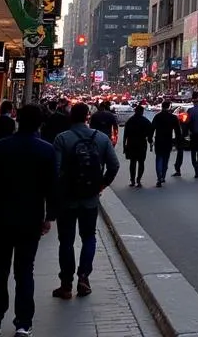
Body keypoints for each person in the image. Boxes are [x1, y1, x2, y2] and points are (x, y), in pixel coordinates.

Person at [0, 104, 57, 337]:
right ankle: (23, 323)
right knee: (25, 271)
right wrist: (49, 216)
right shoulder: (46, 150)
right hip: (30, 219)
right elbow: (52, 187)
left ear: (17, 119)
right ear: (40, 123)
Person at [52, 102, 119, 299]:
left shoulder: (62, 139)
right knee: (88, 237)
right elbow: (114, 166)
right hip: (90, 197)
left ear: (71, 117)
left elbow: (55, 171)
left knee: (66, 241)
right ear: (87, 117)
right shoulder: (101, 138)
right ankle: (84, 277)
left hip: (67, 198)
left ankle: (65, 285)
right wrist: (101, 185)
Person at [122, 105, 153, 188]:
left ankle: (132, 180)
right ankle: (138, 180)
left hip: (131, 143)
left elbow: (125, 135)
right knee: (141, 162)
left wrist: (124, 146)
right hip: (142, 144)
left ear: (135, 111)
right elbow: (150, 132)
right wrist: (150, 142)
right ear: (142, 112)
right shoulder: (145, 121)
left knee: (132, 162)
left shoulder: (130, 121)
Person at [151, 100, 180, 187]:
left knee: (159, 158)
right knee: (165, 159)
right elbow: (177, 131)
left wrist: (150, 139)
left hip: (159, 140)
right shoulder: (173, 118)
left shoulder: (157, 117)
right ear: (169, 107)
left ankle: (159, 177)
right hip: (168, 140)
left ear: (161, 106)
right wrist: (177, 141)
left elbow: (152, 129)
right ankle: (163, 175)